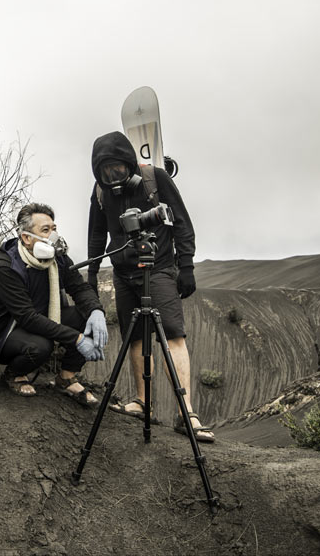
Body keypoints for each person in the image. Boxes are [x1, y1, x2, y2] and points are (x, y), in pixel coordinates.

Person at [87, 131, 214, 442]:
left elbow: (181, 221)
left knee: (172, 335)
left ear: (128, 164)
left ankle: (187, 413)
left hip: (158, 269)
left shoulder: (154, 178)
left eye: (117, 169)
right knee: (135, 338)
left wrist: (186, 265)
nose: (112, 177)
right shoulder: (101, 191)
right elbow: (96, 234)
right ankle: (143, 402)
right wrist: (92, 274)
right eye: (106, 172)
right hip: (123, 274)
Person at [0, 203, 109, 406]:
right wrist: (77, 339)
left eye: (54, 228)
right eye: (45, 230)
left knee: (88, 319)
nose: (53, 235)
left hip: (39, 319)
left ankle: (66, 377)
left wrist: (96, 311)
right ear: (26, 237)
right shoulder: (7, 268)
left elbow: (79, 287)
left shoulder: (58, 259)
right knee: (40, 346)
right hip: (1, 333)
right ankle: (14, 374)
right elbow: (27, 317)